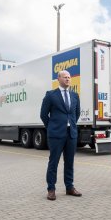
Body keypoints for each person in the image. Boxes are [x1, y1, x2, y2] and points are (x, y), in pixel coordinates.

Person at [40, 70, 82, 200]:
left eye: (69, 77)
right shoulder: (51, 95)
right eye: (65, 77)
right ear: (58, 79)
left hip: (71, 134)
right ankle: (51, 189)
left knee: (69, 162)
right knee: (54, 162)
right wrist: (52, 127)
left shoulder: (75, 95)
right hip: (56, 134)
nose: (68, 79)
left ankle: (69, 187)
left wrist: (72, 125)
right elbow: (43, 115)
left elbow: (76, 113)